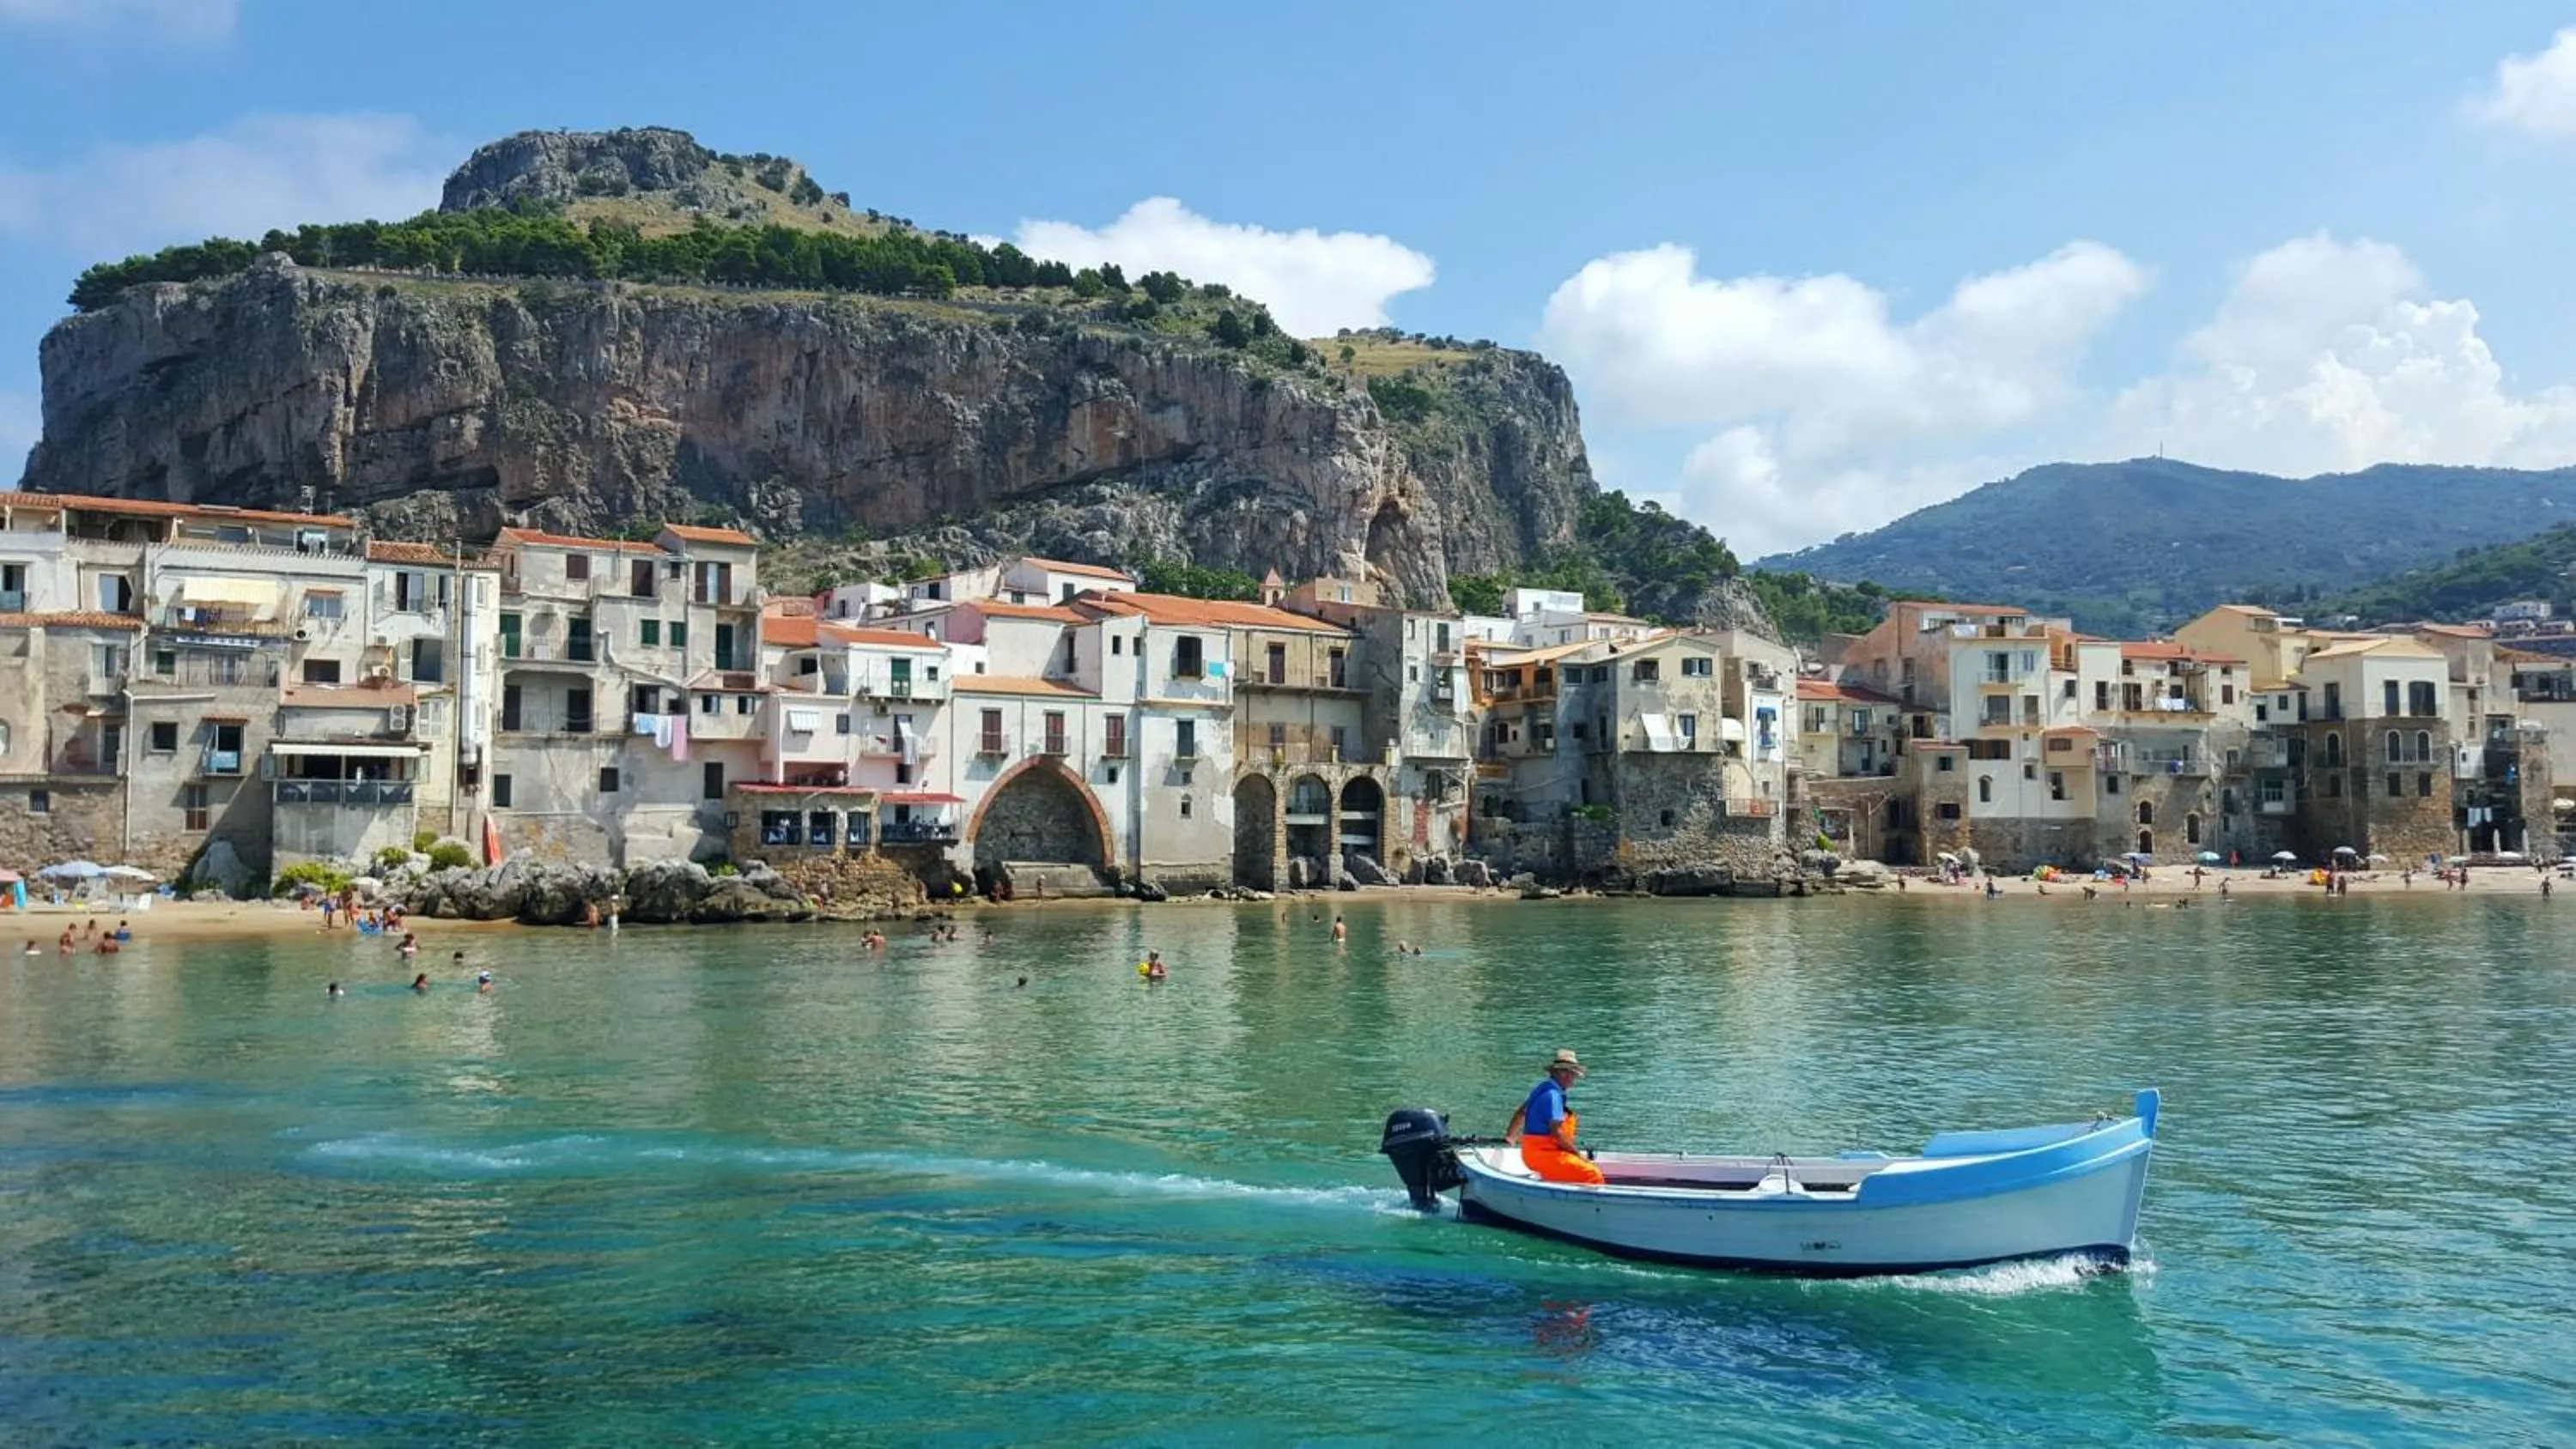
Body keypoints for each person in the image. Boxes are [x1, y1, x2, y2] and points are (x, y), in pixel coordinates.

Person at [1504, 1050, 1606, 1186]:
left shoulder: (1543, 1088)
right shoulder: (1553, 1096)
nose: (1573, 1080)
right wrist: (1577, 1154)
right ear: (1563, 1074)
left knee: (1581, 1167)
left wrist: (1511, 1135)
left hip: (1532, 1152)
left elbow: (1522, 1112)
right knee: (1592, 1173)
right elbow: (1557, 1133)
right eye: (1573, 1075)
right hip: (1543, 1154)